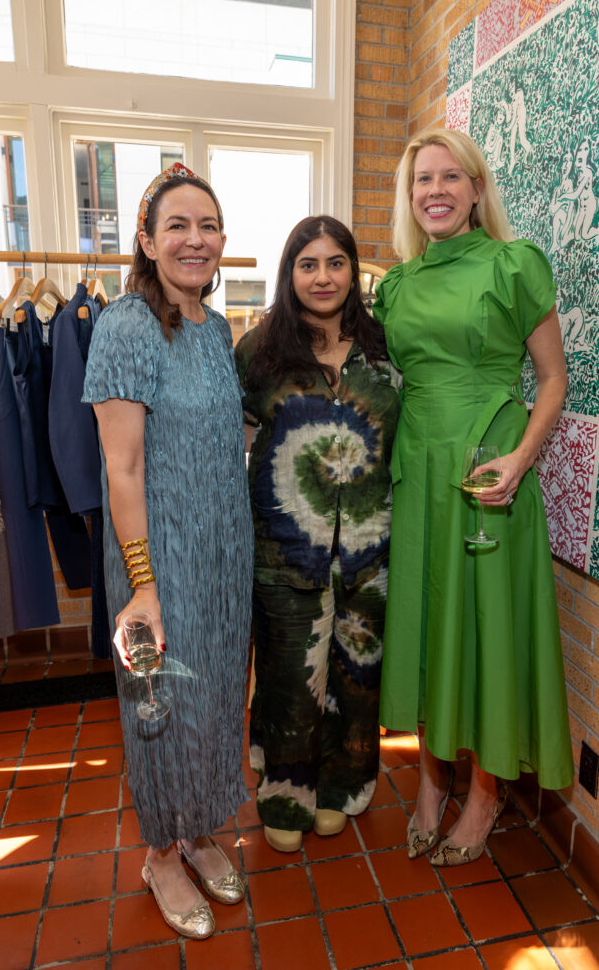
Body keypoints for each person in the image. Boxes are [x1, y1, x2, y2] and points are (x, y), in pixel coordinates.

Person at [374, 128, 573, 866]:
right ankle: (430, 781)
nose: (434, 190)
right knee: (429, 625)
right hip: (419, 471)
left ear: (475, 188)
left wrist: (521, 459)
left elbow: (551, 378)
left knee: (485, 627)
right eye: (422, 179)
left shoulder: (511, 264)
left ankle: (485, 793)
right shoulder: (394, 284)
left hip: (489, 469)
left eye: (449, 177)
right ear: (409, 195)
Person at [82, 163, 253, 937]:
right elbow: (121, 468)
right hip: (158, 560)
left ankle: (198, 830)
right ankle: (159, 853)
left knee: (216, 695)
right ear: (147, 240)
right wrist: (144, 587)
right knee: (159, 706)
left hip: (224, 550)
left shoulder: (216, 328)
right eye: (176, 226)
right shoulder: (124, 325)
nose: (195, 239)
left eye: (207, 226)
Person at [235, 215, 401, 853]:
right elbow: (238, 437)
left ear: (353, 272)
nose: (324, 276)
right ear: (290, 272)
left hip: (368, 549)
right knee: (289, 675)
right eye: (309, 264)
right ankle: (286, 793)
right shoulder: (258, 351)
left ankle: (339, 786)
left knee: (355, 671)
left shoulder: (385, 349)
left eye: (336, 263)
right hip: (284, 551)